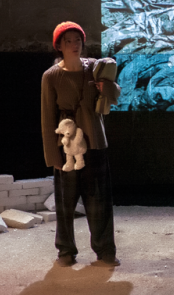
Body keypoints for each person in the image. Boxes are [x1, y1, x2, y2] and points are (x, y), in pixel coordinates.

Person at [41, 22, 121, 268]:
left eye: (78, 40)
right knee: (65, 204)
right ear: (59, 47)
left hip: (95, 142)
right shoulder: (51, 76)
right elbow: (47, 117)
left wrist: (104, 87)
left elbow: (116, 96)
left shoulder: (94, 68)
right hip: (67, 148)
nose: (74, 45)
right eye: (68, 41)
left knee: (99, 202)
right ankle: (66, 251)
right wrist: (52, 157)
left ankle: (105, 250)